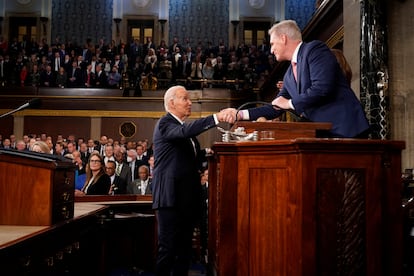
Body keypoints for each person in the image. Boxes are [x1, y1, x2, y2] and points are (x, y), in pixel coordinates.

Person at [221, 20, 369, 138]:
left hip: (347, 129)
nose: (271, 50)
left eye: (272, 43)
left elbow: (322, 88)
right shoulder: (289, 75)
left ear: (283, 38)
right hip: (323, 134)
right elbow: (276, 107)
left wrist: (289, 103)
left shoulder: (314, 50)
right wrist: (240, 114)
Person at [152, 85, 226, 276]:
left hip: (187, 198)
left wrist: (209, 153)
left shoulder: (185, 131)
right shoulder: (165, 123)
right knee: (167, 249)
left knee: (184, 249)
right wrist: (216, 118)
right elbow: (184, 132)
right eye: (185, 99)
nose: (190, 103)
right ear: (171, 103)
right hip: (170, 197)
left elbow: (189, 157)